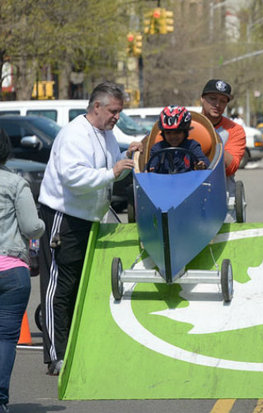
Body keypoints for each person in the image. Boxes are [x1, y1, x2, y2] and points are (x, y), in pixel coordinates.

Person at [37, 81, 142, 376]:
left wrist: (126, 152)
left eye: (119, 112)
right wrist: (112, 172)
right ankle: (56, 355)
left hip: (89, 219)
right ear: (97, 106)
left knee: (80, 284)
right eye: (113, 111)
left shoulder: (105, 133)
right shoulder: (74, 134)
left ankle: (73, 346)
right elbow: (74, 176)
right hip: (64, 216)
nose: (116, 117)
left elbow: (106, 160)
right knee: (59, 285)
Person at [0, 129, 45, 412]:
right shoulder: (16, 183)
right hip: (11, 272)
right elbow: (31, 227)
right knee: (5, 338)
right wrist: (42, 226)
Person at [200, 79, 246, 217]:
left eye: (223, 101)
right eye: (212, 99)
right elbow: (158, 137)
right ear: (202, 99)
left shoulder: (235, 130)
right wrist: (142, 143)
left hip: (224, 201)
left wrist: (211, 137)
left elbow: (232, 166)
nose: (217, 104)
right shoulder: (187, 121)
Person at [149, 106, 209, 174]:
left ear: (185, 132)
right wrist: (150, 170)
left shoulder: (192, 146)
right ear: (163, 133)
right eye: (168, 133)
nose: (173, 136)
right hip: (163, 183)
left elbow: (202, 159)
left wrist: (202, 165)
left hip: (189, 182)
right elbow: (152, 165)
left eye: (177, 132)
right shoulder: (157, 148)